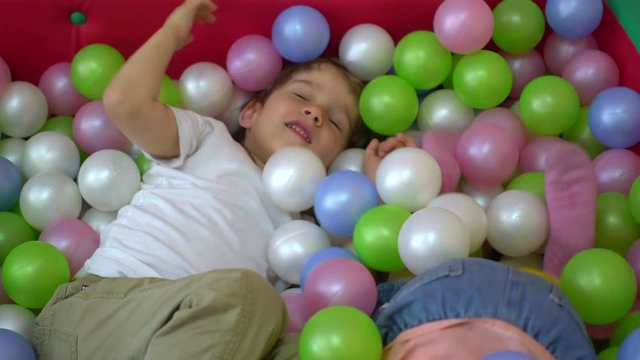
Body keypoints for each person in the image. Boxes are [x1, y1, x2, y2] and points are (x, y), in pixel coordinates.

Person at [31, 0, 414, 359]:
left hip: (202, 339)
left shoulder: (307, 227)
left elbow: (358, 288)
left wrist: (385, 189)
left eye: (334, 121)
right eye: (301, 95)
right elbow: (124, 104)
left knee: (323, 346)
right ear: (250, 112)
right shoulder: (208, 139)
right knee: (252, 299)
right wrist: (171, 33)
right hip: (98, 315)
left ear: (334, 159)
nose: (314, 113)